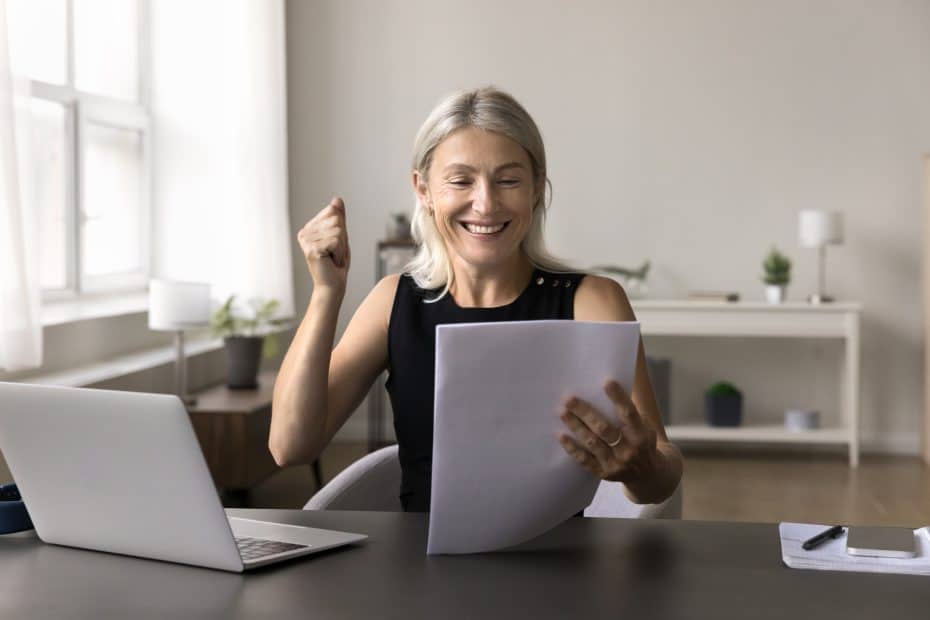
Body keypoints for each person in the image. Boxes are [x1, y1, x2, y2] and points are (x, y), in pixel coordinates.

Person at [270, 86, 682, 512]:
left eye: (508, 180)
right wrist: (326, 294)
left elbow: (660, 477)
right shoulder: (392, 302)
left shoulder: (593, 302)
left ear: (536, 187)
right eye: (461, 181)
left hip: (560, 555)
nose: (485, 204)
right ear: (424, 190)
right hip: (419, 555)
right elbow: (289, 446)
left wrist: (643, 468)